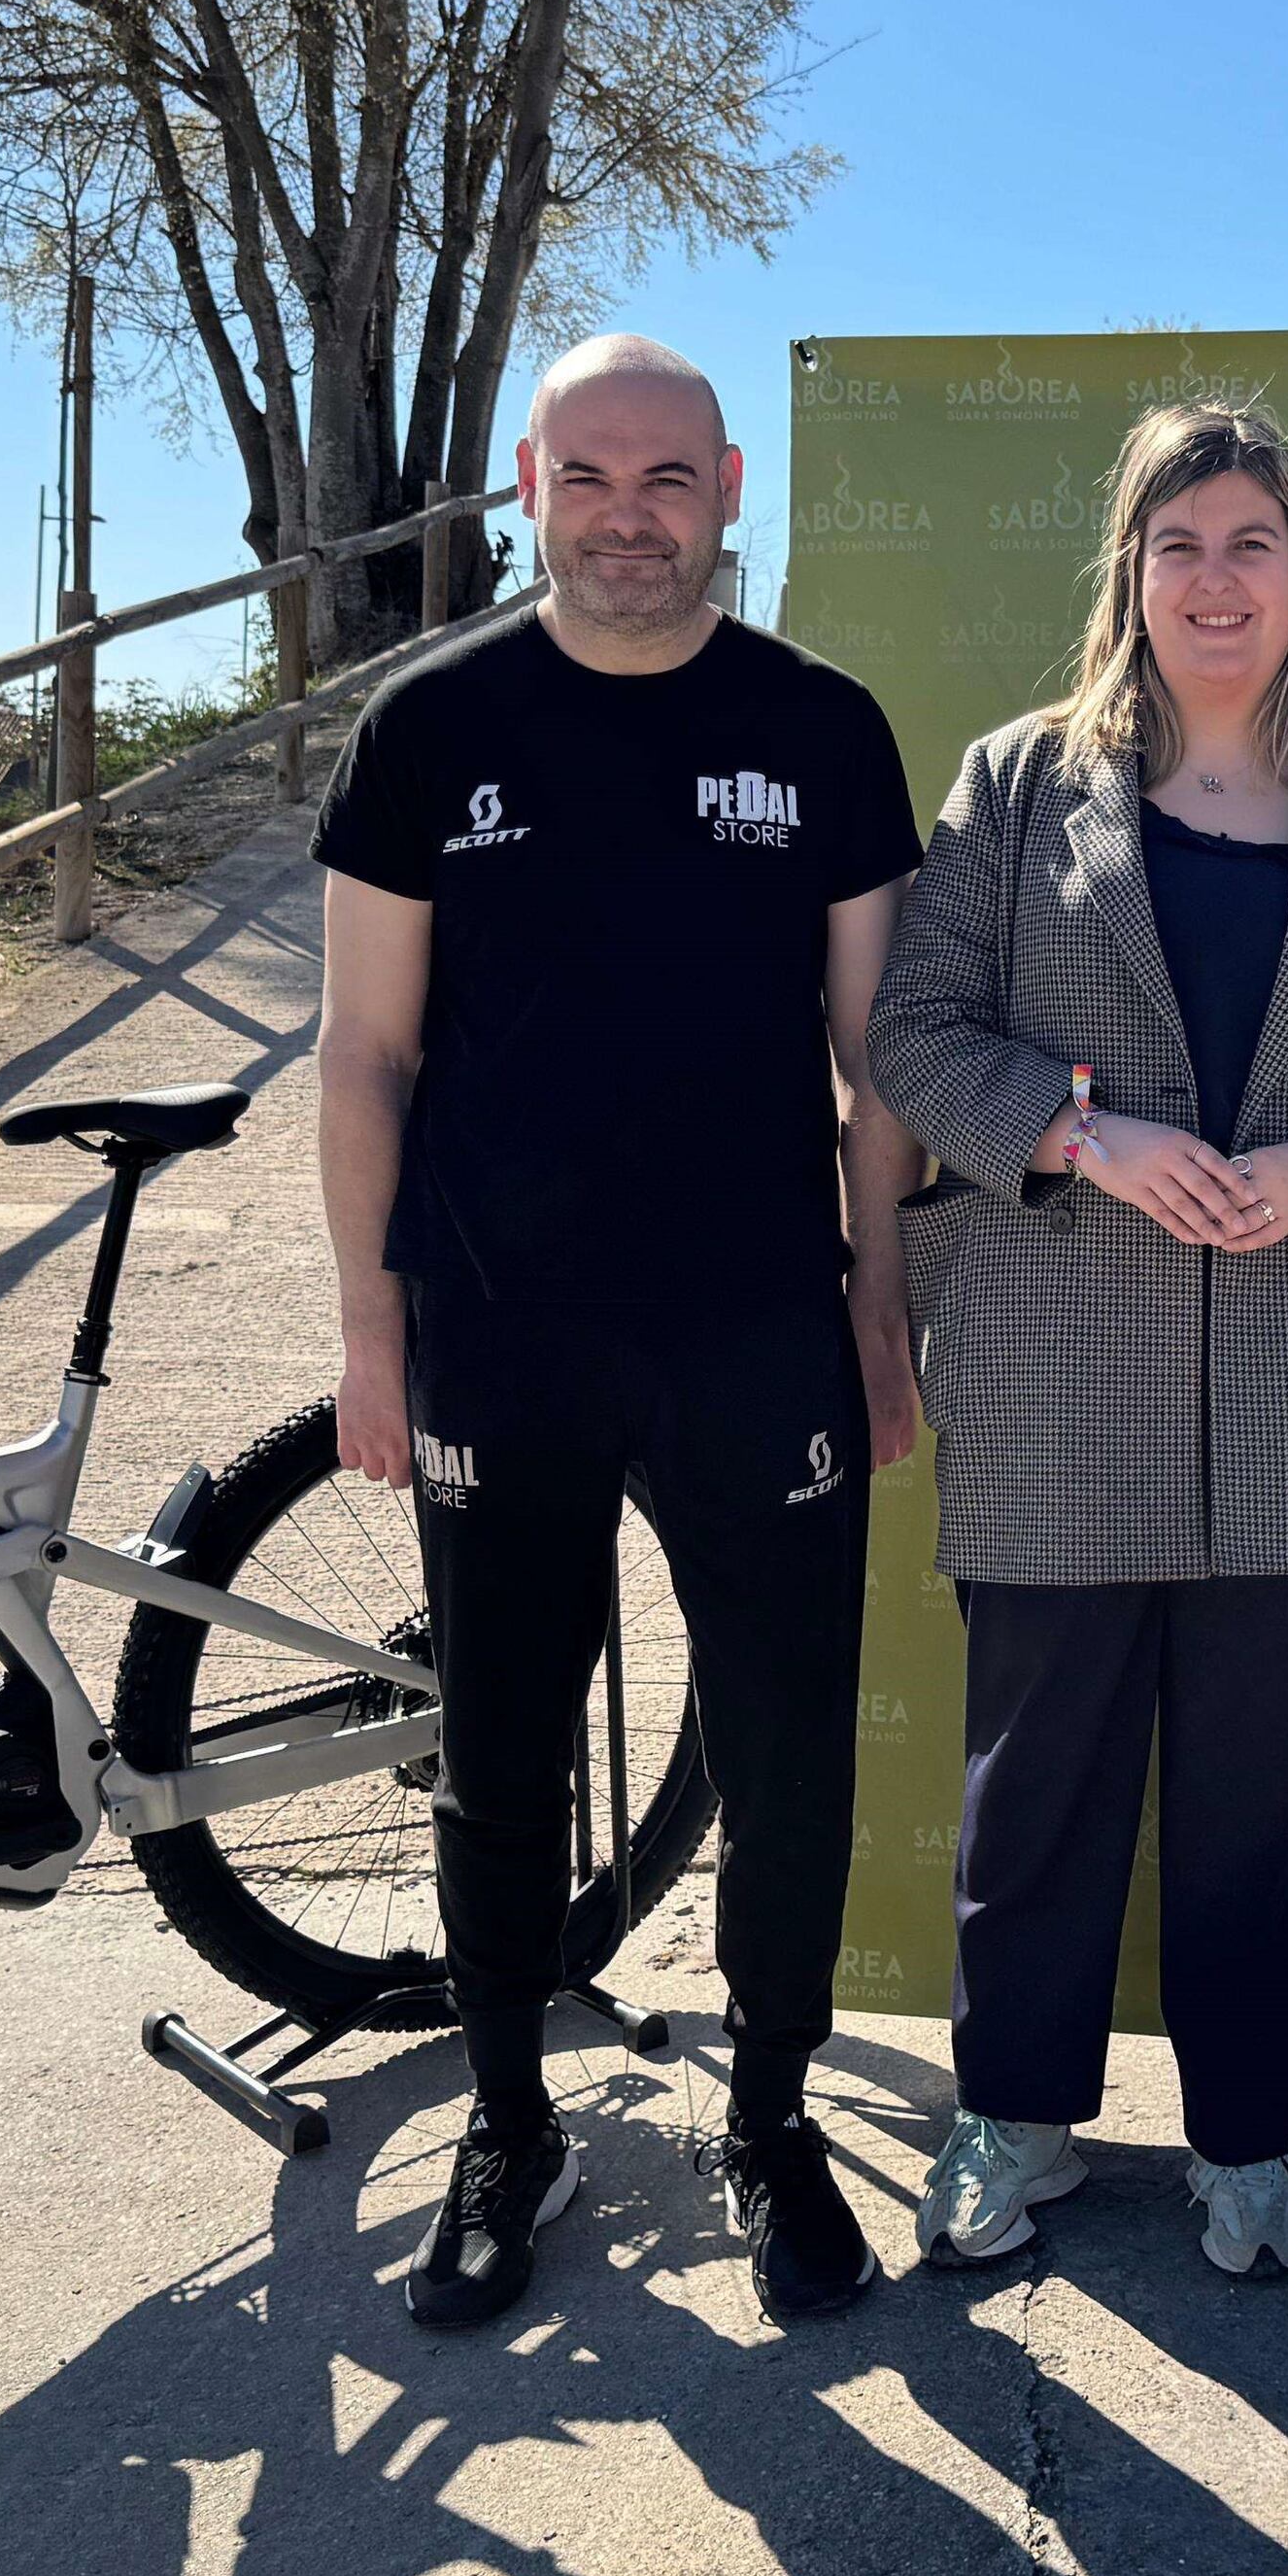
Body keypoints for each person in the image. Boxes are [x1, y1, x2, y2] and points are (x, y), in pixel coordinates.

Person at [868, 402, 1288, 2282]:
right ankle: (1013, 2119)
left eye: (1253, 541)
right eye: (1181, 545)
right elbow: (911, 1035)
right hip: (1056, 1361)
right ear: (1132, 574)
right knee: (1039, 1779)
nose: (1216, 580)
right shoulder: (1017, 784)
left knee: (1266, 1790)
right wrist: (1083, 1136)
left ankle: (1246, 2140)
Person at [312, 332, 924, 2336]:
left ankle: (773, 2116)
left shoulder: (822, 727)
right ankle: (511, 2125)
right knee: (499, 1751)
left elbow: (878, 1068)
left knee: (788, 1749)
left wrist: (882, 1317)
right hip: (503, 1334)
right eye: (589, 475)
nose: (629, 515)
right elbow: (365, 1052)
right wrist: (373, 1335)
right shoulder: (428, 727)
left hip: (758, 1331)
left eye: (668, 477)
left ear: (730, 487)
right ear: (527, 486)